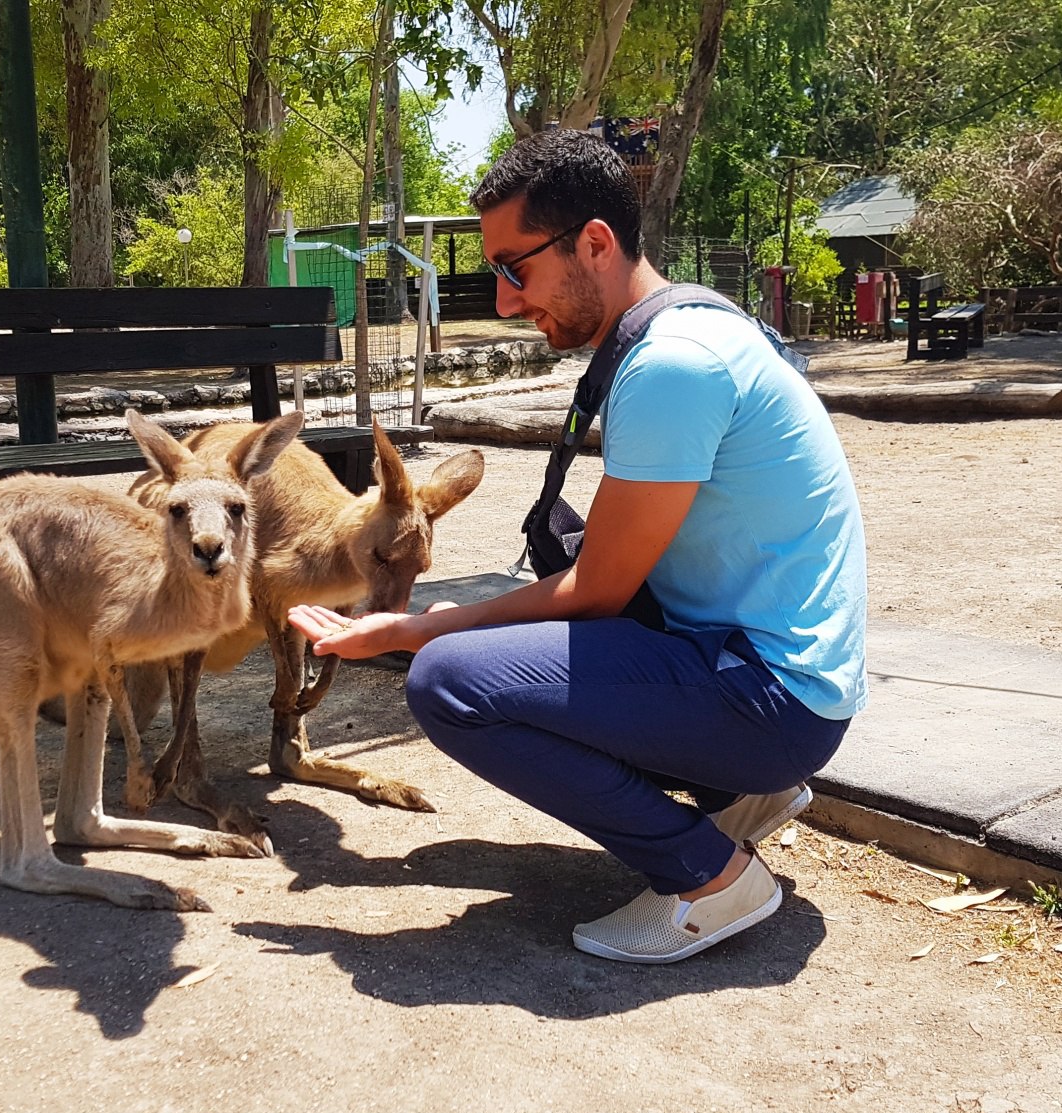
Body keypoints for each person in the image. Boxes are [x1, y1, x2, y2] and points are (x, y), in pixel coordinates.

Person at [288, 129, 867, 964]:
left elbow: (595, 592)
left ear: (593, 242)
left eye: (514, 268)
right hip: (772, 671)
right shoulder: (697, 324)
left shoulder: (672, 365)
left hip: (774, 696)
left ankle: (710, 877)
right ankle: (739, 792)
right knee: (503, 640)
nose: (505, 301)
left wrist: (426, 627)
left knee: (450, 683)